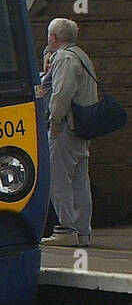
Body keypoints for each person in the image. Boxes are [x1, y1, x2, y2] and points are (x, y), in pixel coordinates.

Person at [43, 17, 99, 247]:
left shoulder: (65, 59)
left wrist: (54, 122)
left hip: (66, 127)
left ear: (54, 37)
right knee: (80, 181)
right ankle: (82, 231)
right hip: (82, 128)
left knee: (59, 179)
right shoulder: (81, 56)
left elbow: (61, 94)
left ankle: (66, 229)